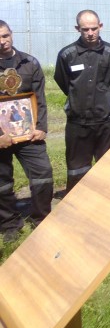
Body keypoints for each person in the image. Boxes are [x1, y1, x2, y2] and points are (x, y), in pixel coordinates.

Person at [54, 10, 110, 192]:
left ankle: (105, 199)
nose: (90, 33)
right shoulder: (67, 54)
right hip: (78, 123)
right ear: (78, 29)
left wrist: (104, 99)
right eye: (85, 29)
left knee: (106, 166)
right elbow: (63, 81)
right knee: (77, 169)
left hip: (105, 121)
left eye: (94, 28)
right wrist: (78, 99)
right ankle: (78, 201)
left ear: (101, 26)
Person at [0, 20, 54, 243]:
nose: (2, 41)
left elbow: (40, 98)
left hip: (29, 133)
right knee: (2, 182)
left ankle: (41, 218)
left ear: (11, 34)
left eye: (5, 36)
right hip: (2, 138)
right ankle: (9, 224)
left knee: (43, 174)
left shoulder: (29, 63)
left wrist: (41, 127)